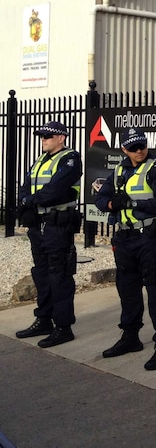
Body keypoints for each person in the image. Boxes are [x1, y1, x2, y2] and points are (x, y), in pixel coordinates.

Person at [94, 128, 156, 370]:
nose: (139, 151)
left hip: (148, 238)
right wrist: (110, 203)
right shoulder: (119, 169)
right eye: (133, 148)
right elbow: (100, 198)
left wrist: (129, 202)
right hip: (124, 239)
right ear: (124, 150)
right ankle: (130, 338)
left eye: (142, 146)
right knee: (127, 291)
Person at [15, 120, 82, 348]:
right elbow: (25, 185)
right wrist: (25, 201)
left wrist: (31, 202)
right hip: (39, 225)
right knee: (41, 273)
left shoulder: (71, 159)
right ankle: (44, 319)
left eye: (47, 136)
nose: (43, 140)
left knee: (59, 274)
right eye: (42, 137)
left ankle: (63, 327)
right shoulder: (41, 160)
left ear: (61, 137)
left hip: (58, 225)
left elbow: (56, 189)